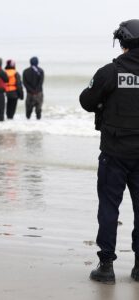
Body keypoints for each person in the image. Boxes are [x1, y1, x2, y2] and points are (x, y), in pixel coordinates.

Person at [80, 19, 139, 284]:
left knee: (109, 208)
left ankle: (106, 267)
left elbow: (86, 100)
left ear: (123, 42)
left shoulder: (110, 72)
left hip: (114, 153)